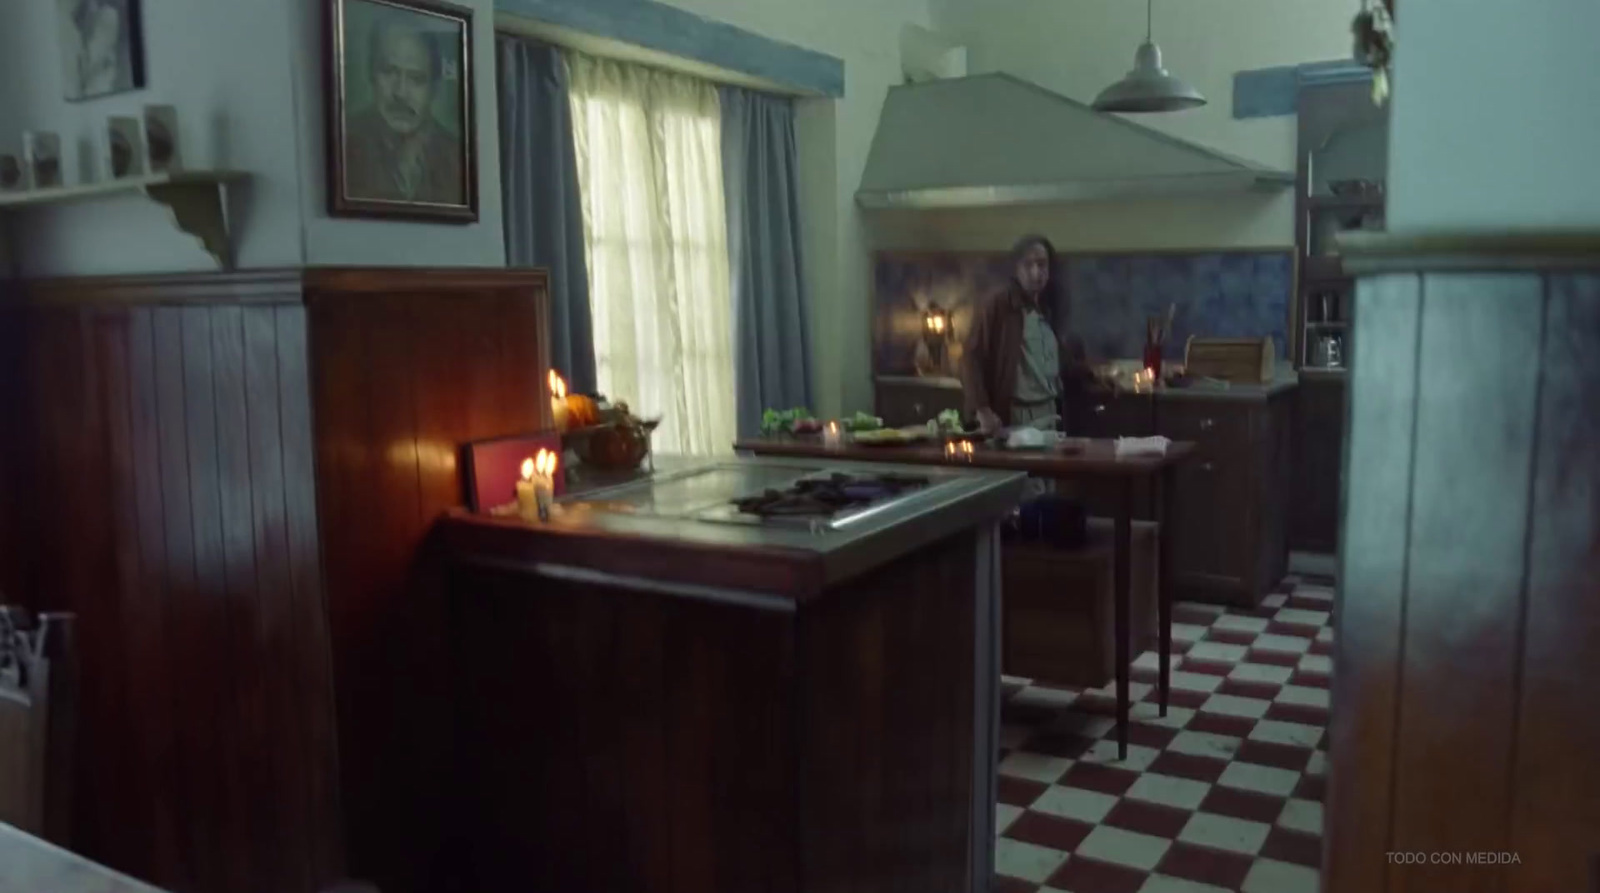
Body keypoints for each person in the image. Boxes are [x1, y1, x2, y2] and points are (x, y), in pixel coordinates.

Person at [960, 234, 1092, 435]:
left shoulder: (1048, 308)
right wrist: (982, 410)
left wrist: (1098, 376)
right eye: (1028, 265)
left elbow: (1056, 363)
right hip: (1017, 416)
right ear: (1016, 269)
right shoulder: (998, 304)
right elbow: (971, 357)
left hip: (1050, 413)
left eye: (1041, 265)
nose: (1035, 272)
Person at [343, 16, 464, 205]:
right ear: (371, 74)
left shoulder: (457, 157)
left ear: (434, 88)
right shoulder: (346, 142)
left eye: (416, 79)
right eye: (389, 72)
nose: (400, 93)